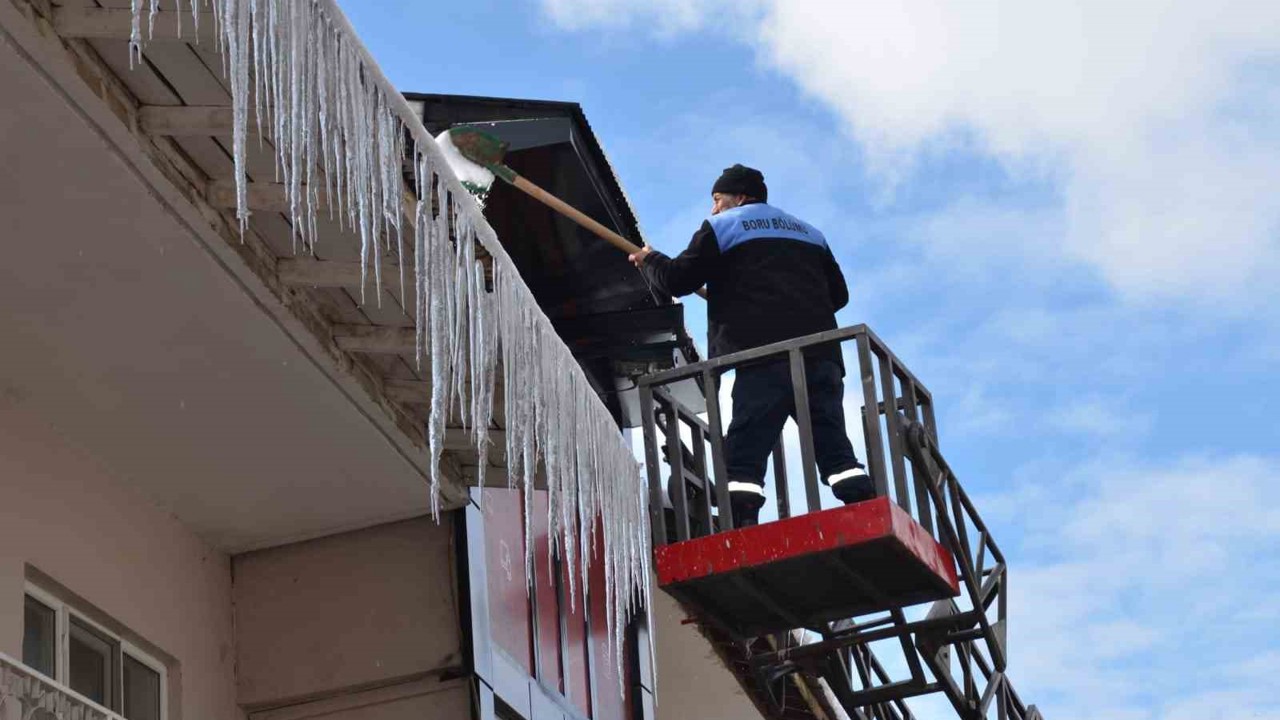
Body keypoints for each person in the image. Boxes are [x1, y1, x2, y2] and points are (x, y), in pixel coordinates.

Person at [629, 164, 873, 528]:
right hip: (820, 357)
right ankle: (865, 508)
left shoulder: (724, 226)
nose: (713, 209)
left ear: (739, 197)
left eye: (717, 199)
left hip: (762, 356)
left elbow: (678, 280)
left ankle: (741, 526)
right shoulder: (810, 233)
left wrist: (650, 261)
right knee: (833, 442)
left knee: (746, 448)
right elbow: (838, 295)